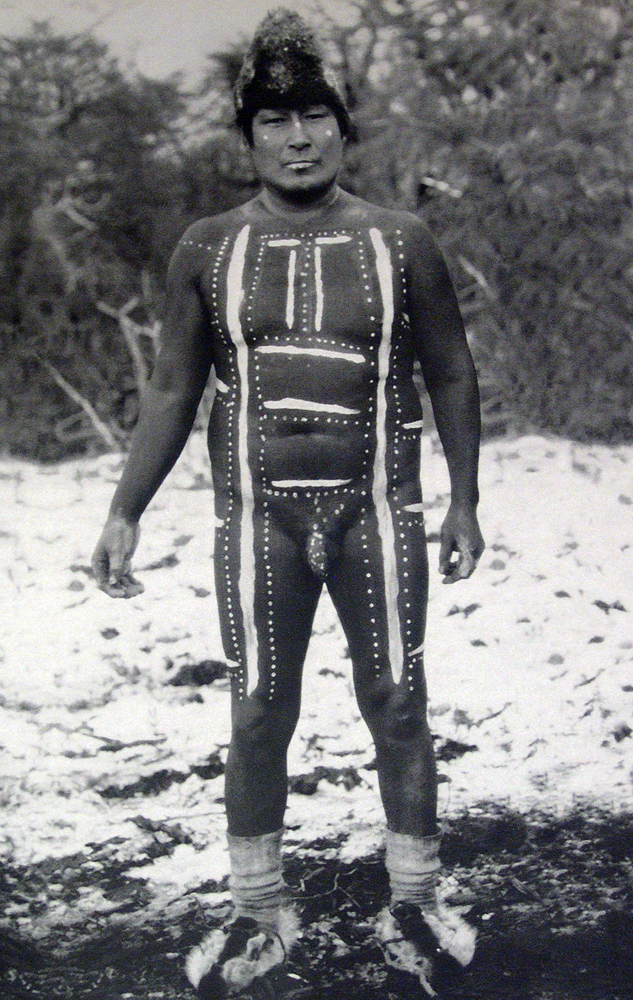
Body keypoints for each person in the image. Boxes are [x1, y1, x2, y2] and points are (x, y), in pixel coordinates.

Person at [92, 8, 485, 998]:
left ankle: (416, 901)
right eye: (275, 121)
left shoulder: (400, 241)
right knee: (260, 707)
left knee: (397, 698)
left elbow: (450, 372)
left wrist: (465, 502)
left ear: (344, 129)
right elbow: (173, 390)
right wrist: (125, 508)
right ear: (249, 137)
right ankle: (257, 913)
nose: (297, 138)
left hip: (377, 509)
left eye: (315, 117)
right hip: (258, 517)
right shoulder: (209, 249)